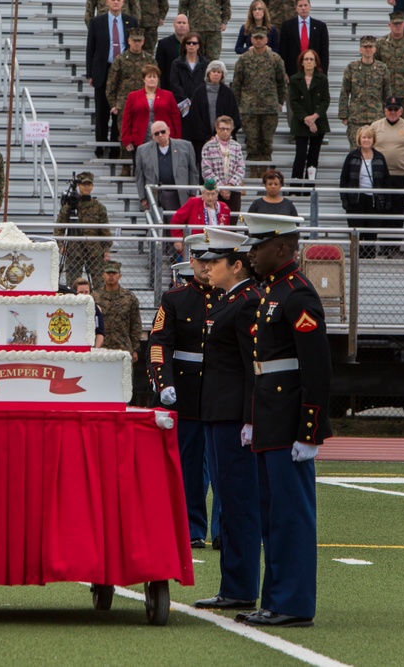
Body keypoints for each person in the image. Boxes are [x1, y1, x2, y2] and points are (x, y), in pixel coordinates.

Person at [238, 212, 329, 628]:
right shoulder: (272, 291)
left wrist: (310, 430)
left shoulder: (297, 294)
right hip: (269, 415)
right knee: (272, 514)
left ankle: (293, 603)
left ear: (283, 249)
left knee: (291, 515)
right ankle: (274, 600)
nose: (250, 253)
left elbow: (316, 369)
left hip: (289, 419)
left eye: (258, 246)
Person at [192, 226, 260, 605]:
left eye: (215, 261)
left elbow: (252, 365)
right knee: (230, 502)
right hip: (218, 413)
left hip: (234, 416)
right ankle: (233, 586)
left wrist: (250, 416)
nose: (207, 267)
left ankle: (241, 588)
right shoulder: (226, 300)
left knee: (238, 503)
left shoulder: (245, 302)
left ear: (236, 266)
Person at [147, 232, 218, 548]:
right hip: (187, 393)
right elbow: (159, 344)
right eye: (202, 261)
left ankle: (223, 530)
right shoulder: (175, 299)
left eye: (213, 261)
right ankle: (192, 528)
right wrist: (165, 383)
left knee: (225, 467)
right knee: (191, 466)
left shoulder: (233, 298)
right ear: (191, 262)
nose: (207, 268)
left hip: (222, 393)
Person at [231, 25, 286, 178]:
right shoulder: (244, 60)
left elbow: (281, 82)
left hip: (269, 108)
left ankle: (265, 174)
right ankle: (254, 173)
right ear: (251, 39)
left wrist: (280, 101)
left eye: (261, 38)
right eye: (255, 38)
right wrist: (237, 105)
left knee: (267, 143)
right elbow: (237, 84)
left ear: (266, 40)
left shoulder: (275, 59)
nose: (258, 40)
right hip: (249, 108)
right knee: (252, 143)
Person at [86, 0, 138, 157]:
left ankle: (116, 147)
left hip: (123, 70)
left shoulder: (131, 21)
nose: (116, 2)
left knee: (120, 108)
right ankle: (100, 144)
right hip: (103, 69)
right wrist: (90, 73)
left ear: (123, 2)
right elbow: (91, 48)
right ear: (107, 2)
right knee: (102, 109)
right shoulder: (97, 22)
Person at [371, 95, 404, 257]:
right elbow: (369, 148)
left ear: (401, 110)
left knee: (398, 212)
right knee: (381, 210)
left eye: (395, 109)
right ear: (384, 110)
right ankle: (382, 246)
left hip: (400, 175)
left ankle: (394, 247)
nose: (392, 112)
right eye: (389, 109)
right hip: (380, 176)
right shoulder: (376, 126)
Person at [55, 171, 111, 289]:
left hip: (94, 249)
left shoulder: (98, 207)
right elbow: (59, 227)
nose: (86, 187)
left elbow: (105, 231)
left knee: (99, 282)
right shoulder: (70, 206)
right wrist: (60, 245)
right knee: (73, 281)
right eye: (83, 184)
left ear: (92, 186)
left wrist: (106, 249)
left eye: (88, 184)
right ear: (78, 186)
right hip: (74, 248)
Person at [106, 26, 155, 160]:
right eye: (134, 41)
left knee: (145, 132)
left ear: (143, 41)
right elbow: (111, 84)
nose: (137, 43)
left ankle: (145, 162)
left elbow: (155, 81)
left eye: (139, 41)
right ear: (129, 41)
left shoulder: (149, 59)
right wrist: (113, 104)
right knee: (125, 133)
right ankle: (126, 164)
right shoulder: (121, 59)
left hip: (145, 102)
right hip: (124, 102)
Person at [340, 126, 389, 258]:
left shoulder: (379, 157)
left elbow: (385, 180)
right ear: (359, 139)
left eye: (369, 137)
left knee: (371, 233)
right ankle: (357, 259)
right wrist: (344, 200)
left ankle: (370, 259)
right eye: (364, 137)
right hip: (355, 199)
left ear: (373, 140)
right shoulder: (352, 156)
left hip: (374, 200)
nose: (366, 140)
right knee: (356, 233)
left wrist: (385, 201)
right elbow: (344, 179)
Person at [134, 119, 198, 216]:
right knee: (157, 226)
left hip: (179, 194)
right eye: (156, 133)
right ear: (152, 136)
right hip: (155, 195)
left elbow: (193, 171)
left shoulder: (186, 146)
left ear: (168, 130)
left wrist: (192, 194)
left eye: (163, 132)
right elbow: (139, 176)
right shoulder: (142, 150)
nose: (160, 135)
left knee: (178, 227)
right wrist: (143, 198)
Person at [120, 64, 180, 162]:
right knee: (141, 168)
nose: (152, 79)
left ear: (158, 79)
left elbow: (175, 117)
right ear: (144, 79)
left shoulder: (168, 95)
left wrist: (177, 137)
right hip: (140, 138)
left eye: (154, 77)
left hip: (163, 138)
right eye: (149, 77)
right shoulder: (133, 96)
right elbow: (127, 119)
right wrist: (127, 139)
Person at [338, 35, 390, 147]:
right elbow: (344, 92)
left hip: (376, 117)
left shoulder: (382, 68)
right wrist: (343, 114)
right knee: (356, 150)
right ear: (360, 49)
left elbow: (387, 93)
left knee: (377, 149)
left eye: (370, 47)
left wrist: (388, 114)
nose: (368, 49)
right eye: (365, 47)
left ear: (375, 49)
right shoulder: (352, 68)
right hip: (356, 118)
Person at [185, 60, 240, 165]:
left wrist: (220, 135)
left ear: (222, 75)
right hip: (202, 141)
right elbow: (194, 117)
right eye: (213, 71)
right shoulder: (199, 92)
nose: (216, 74)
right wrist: (206, 137)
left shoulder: (228, 93)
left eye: (219, 72)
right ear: (208, 73)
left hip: (224, 140)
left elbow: (234, 117)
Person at [287, 48, 328, 182]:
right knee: (300, 155)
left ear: (316, 63)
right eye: (306, 59)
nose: (309, 62)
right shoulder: (294, 79)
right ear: (302, 62)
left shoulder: (322, 79)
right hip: (301, 122)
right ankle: (296, 187)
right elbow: (293, 101)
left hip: (318, 122)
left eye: (312, 59)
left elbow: (325, 100)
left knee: (313, 156)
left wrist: (315, 117)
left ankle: (310, 188)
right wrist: (306, 119)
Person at [93, 260, 142, 366]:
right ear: (103, 275)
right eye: (108, 273)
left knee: (125, 380)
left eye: (114, 273)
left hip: (123, 347)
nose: (111, 276)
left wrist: (135, 348)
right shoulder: (95, 297)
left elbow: (136, 324)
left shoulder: (129, 298)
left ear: (120, 276)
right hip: (101, 348)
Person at [170, 177, 231, 252]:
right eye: (207, 194)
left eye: (213, 194)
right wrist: (177, 239)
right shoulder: (193, 202)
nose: (210, 197)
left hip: (218, 246)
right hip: (197, 245)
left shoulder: (224, 207)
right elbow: (176, 219)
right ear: (202, 193)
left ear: (217, 194)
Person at [201, 115, 245, 213]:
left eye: (228, 129)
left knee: (232, 224)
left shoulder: (236, 146)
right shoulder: (208, 146)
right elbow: (206, 171)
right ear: (216, 128)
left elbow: (241, 168)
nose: (225, 131)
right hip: (213, 192)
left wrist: (230, 185)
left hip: (234, 191)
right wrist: (221, 187)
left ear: (232, 129)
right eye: (222, 129)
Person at [278, 0, 328, 77]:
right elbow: (283, 51)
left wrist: (323, 74)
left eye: (305, 5)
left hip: (314, 72)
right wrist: (284, 73)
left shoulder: (320, 26)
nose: (303, 8)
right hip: (292, 72)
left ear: (310, 6)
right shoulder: (287, 26)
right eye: (300, 6)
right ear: (296, 8)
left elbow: (324, 53)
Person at [168, 31, 207, 104]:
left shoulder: (205, 63)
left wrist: (197, 98)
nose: (191, 45)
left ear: (198, 46)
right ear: (185, 45)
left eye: (194, 43)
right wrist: (185, 100)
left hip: (200, 101)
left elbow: (207, 83)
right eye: (188, 43)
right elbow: (174, 84)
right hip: (182, 103)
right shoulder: (177, 63)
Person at [155, 13, 187, 90]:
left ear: (188, 26)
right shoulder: (163, 44)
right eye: (179, 23)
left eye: (184, 23)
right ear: (174, 25)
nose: (181, 25)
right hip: (169, 88)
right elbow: (159, 69)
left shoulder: (194, 44)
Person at [71, 276, 105, 347]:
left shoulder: (95, 309)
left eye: (86, 292)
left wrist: (95, 349)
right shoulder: (68, 307)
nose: (84, 295)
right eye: (81, 292)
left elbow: (100, 332)